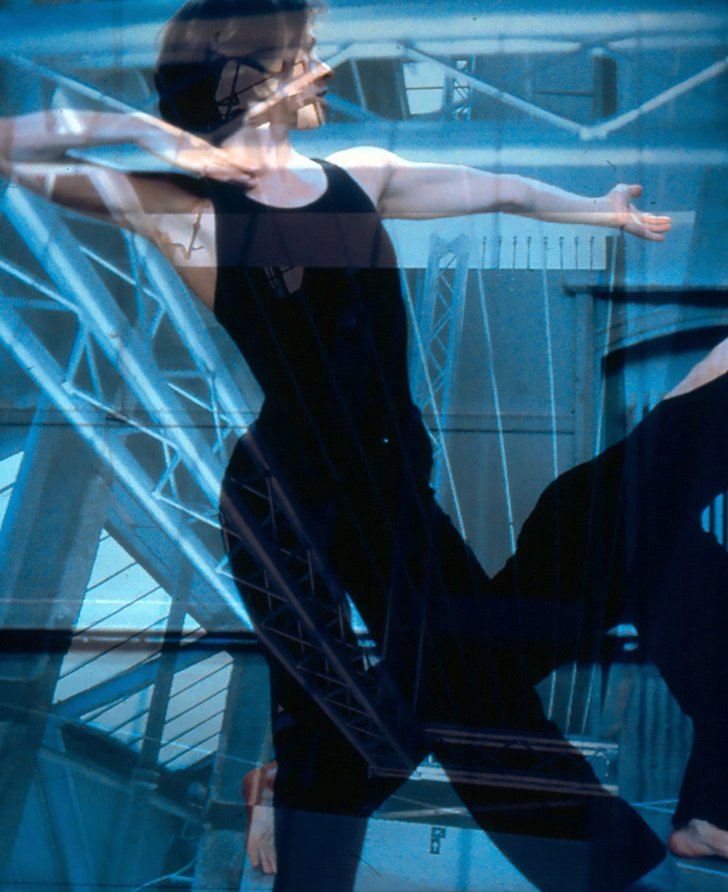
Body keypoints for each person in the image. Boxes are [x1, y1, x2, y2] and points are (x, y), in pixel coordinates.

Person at [1, 0, 724, 888]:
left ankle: (606, 868)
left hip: (389, 484)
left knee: (461, 684)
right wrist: (158, 129)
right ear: (251, 70)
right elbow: (14, 148)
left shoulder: (361, 173)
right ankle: (582, 867)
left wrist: (597, 210)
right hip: (282, 497)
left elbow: (491, 186)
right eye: (306, 55)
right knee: (347, 705)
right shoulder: (189, 212)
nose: (328, 71)